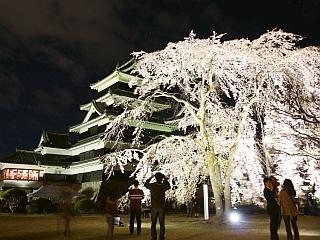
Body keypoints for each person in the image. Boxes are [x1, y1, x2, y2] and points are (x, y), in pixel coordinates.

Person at [145, 172, 171, 240]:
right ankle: (161, 237)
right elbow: (169, 186)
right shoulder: (163, 186)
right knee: (162, 224)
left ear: (155, 178)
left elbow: (145, 184)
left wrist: (151, 177)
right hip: (161, 206)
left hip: (154, 206)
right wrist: (165, 179)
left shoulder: (152, 186)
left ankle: (154, 237)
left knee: (153, 224)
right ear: (161, 178)